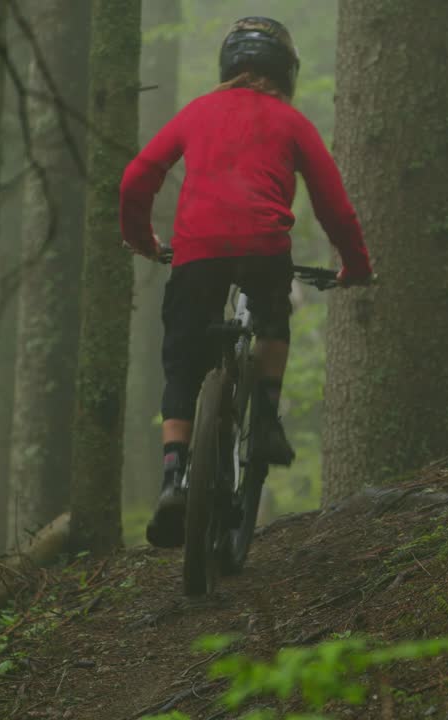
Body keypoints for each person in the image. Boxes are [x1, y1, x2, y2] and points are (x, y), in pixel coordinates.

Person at [119, 17, 373, 549]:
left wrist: (143, 240)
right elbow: (335, 207)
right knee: (273, 319)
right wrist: (356, 266)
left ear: (228, 66)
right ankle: (266, 420)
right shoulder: (291, 122)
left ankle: (172, 478)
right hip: (263, 251)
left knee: (182, 363)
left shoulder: (197, 112)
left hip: (196, 254)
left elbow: (137, 178)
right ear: (287, 71)